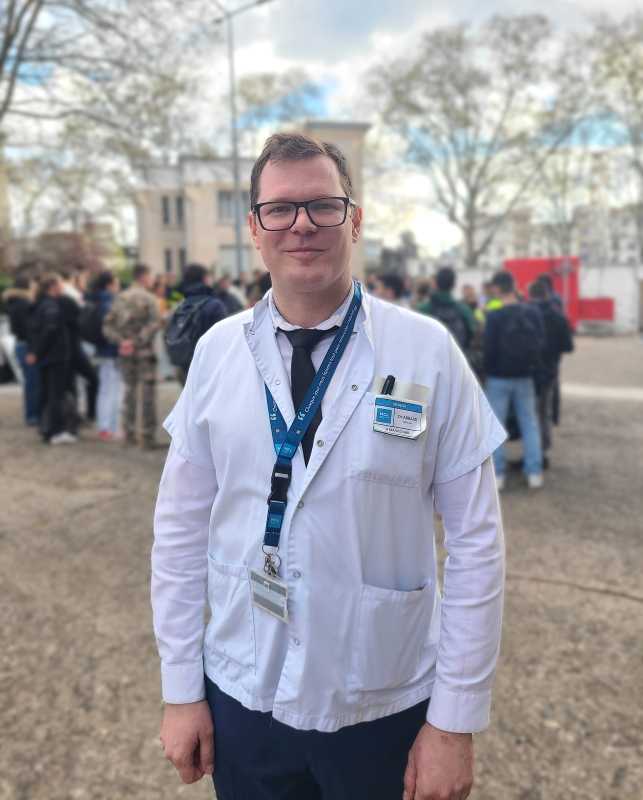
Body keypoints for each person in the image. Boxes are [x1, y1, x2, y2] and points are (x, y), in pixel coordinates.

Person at [151, 132, 506, 800]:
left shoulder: (425, 351)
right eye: (280, 210)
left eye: (323, 206)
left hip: (381, 701)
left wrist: (453, 723)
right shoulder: (216, 353)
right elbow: (178, 530)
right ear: (254, 228)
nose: (303, 225)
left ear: (356, 219)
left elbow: (476, 544)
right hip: (242, 691)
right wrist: (180, 691)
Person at [483, 270, 545, 490]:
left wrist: (487, 371)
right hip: (525, 375)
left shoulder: (494, 317)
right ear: (515, 286)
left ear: (497, 289)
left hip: (498, 377)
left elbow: (488, 350)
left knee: (495, 425)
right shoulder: (533, 313)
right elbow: (541, 344)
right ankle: (534, 472)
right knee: (529, 423)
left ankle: (498, 474)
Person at [103, 263, 161, 449]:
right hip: (144, 352)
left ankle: (128, 433)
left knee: (128, 391)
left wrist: (122, 342)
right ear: (143, 277)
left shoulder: (119, 298)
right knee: (147, 394)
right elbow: (154, 325)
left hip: (125, 353)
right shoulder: (150, 298)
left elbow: (107, 326)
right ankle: (147, 436)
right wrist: (136, 342)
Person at [528, 279, 574, 468]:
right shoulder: (559, 316)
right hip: (550, 370)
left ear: (531, 295)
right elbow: (568, 346)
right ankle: (543, 452)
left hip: (529, 371)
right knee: (544, 412)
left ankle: (531, 452)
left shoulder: (527, 314)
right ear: (548, 293)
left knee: (529, 414)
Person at [32, 273, 76, 444]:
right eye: (60, 284)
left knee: (47, 394)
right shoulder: (51, 306)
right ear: (52, 286)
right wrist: (38, 352)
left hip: (47, 356)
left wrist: (37, 352)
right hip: (55, 356)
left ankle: (46, 429)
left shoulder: (42, 304)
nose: (63, 286)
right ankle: (55, 431)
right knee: (55, 395)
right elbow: (49, 330)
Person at [166, 263, 227, 384]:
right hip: (210, 367)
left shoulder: (181, 305)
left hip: (185, 366)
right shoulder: (214, 305)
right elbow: (224, 339)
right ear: (205, 279)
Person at [86, 270, 122, 441]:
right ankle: (108, 427)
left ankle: (105, 426)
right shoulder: (109, 302)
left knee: (105, 388)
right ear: (110, 285)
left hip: (101, 350)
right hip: (111, 351)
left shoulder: (93, 299)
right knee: (111, 389)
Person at [4, 273, 41, 425]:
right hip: (28, 346)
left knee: (30, 383)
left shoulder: (14, 303)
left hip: (20, 344)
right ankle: (32, 416)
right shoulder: (24, 304)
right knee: (33, 383)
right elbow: (28, 329)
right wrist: (34, 350)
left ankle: (31, 414)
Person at [417, 267, 475, 353]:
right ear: (454, 285)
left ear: (435, 283)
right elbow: (471, 333)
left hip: (429, 361)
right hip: (456, 359)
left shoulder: (423, 309)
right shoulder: (463, 310)